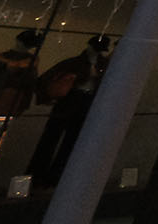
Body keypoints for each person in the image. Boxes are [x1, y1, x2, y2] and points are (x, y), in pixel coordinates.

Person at [26, 34, 110, 186]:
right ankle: (37, 175)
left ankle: (55, 176)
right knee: (51, 138)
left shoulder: (100, 64)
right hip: (70, 100)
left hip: (84, 101)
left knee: (70, 141)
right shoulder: (75, 63)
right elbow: (46, 79)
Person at [0, 29, 43, 116]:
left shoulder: (29, 60)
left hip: (7, 94)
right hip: (1, 94)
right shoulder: (4, 57)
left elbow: (16, 66)